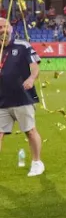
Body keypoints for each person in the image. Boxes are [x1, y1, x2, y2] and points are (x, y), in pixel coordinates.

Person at [0, 18, 43, 177]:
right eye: (0, 27)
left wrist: (31, 79)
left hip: (22, 98)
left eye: (5, 26)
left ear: (10, 28)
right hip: (2, 100)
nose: (3, 29)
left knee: (29, 131)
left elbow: (34, 66)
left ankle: (37, 162)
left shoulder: (22, 45)